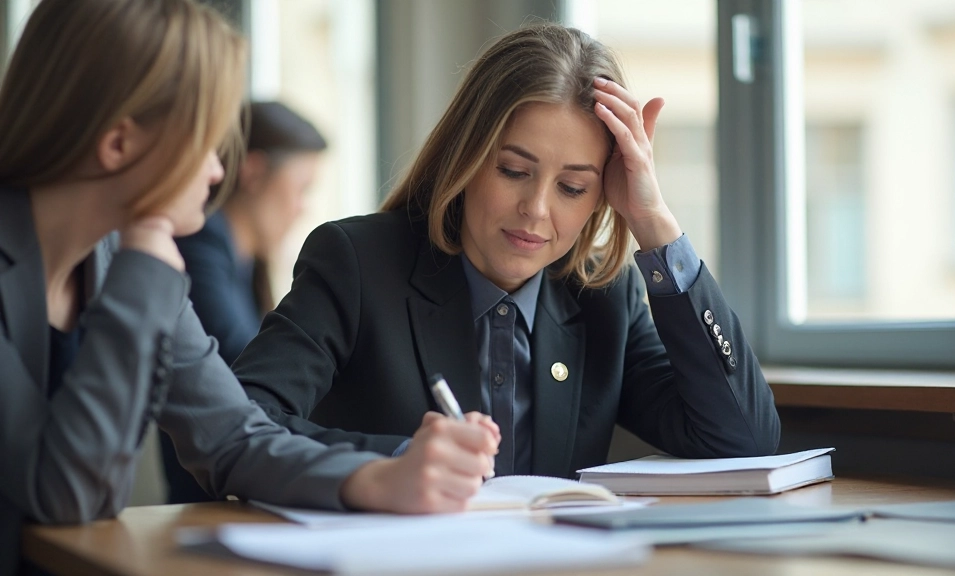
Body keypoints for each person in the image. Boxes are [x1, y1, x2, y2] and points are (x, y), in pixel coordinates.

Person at [0, 1, 498, 574]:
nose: (218, 172)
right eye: (205, 142)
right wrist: (145, 271)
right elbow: (63, 497)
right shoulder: (143, 263)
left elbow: (234, 437)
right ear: (118, 144)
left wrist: (381, 477)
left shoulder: (123, 257)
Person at [234, 24, 781, 480]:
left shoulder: (602, 297)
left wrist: (654, 222)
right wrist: (397, 463)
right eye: (513, 171)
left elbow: (742, 436)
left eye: (572, 188)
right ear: (466, 157)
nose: (536, 210)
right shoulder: (357, 262)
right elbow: (240, 422)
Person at [160, 102, 326, 503]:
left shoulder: (242, 261)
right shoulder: (199, 245)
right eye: (300, 188)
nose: (302, 208)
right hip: (210, 489)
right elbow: (246, 366)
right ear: (253, 170)